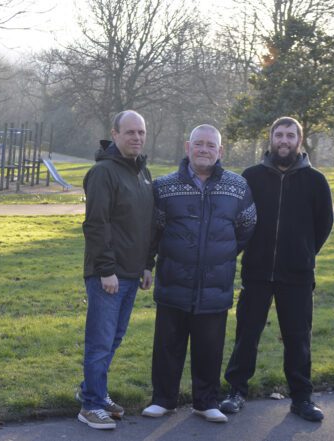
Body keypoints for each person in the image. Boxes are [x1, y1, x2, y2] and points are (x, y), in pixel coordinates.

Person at [220, 116, 334, 422]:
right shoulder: (251, 177)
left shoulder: (315, 181)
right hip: (256, 272)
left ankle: (302, 398)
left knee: (298, 338)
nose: (284, 141)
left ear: (299, 140)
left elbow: (324, 224)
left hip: (297, 275)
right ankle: (236, 392)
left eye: (290, 136)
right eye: (279, 135)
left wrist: (304, 253)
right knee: (247, 334)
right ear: (271, 138)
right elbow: (239, 220)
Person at [141, 124, 256, 423]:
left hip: (214, 285)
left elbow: (246, 227)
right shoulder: (164, 186)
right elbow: (154, 230)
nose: (204, 149)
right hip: (174, 281)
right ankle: (163, 399)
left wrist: (221, 255)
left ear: (220, 151)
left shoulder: (237, 186)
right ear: (187, 146)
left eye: (210, 145)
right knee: (168, 345)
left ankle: (205, 402)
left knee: (210, 347)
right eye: (198, 143)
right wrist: (148, 264)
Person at [77, 110, 154, 430]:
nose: (136, 137)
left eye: (141, 132)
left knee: (114, 338)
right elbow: (96, 225)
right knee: (100, 340)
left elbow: (146, 223)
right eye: (130, 132)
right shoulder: (103, 172)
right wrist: (106, 270)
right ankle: (90, 406)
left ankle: (94, 392)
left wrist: (148, 265)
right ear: (115, 134)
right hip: (107, 274)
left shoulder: (141, 172)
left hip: (132, 272)